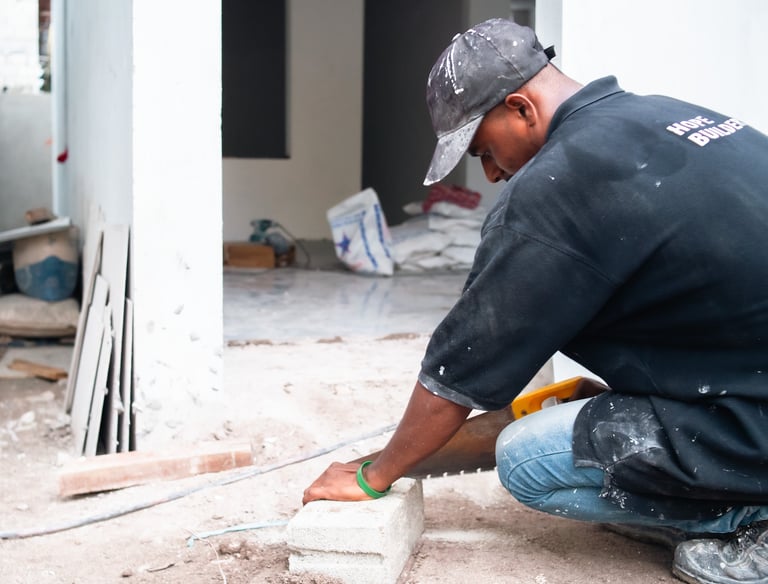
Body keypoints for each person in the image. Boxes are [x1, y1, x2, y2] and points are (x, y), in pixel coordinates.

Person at [303, 18, 768, 584]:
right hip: (749, 377)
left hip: (756, 418)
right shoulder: (666, 113)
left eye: (484, 150)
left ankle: (747, 516)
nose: (493, 173)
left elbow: (463, 367)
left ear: (521, 108)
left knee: (526, 460)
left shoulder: (558, 185)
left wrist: (374, 475)